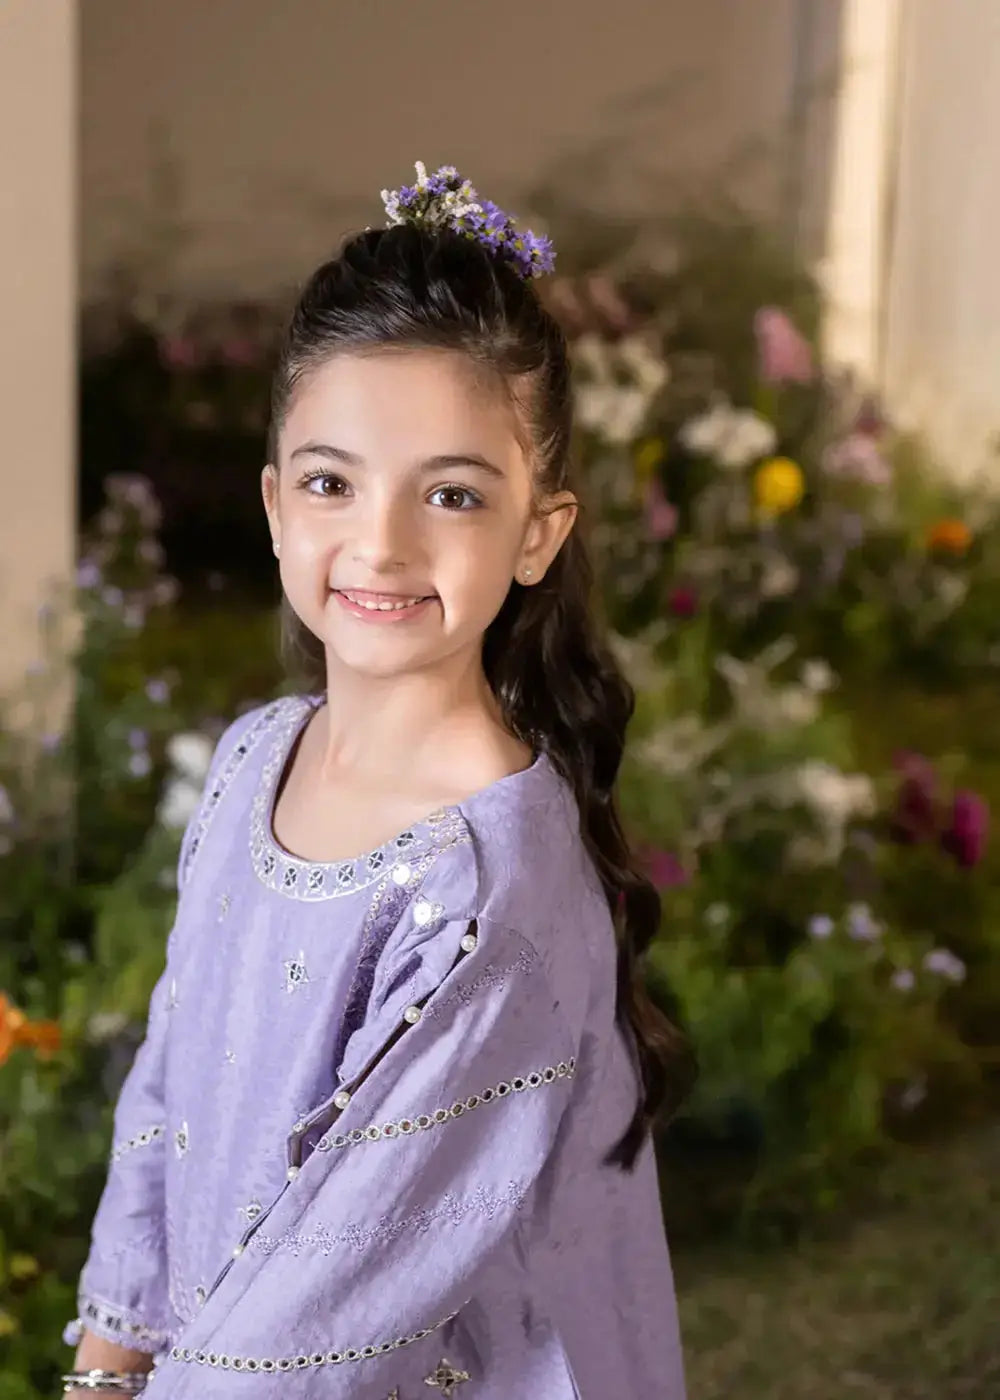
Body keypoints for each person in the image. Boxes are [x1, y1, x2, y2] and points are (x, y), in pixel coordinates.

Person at [62, 163, 693, 1399]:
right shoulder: (255, 759)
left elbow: (327, 1307)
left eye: (451, 493)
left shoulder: (484, 887)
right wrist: (105, 1365)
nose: (382, 542)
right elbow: (172, 1077)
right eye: (331, 481)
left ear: (537, 531)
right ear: (273, 505)